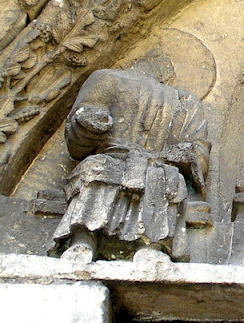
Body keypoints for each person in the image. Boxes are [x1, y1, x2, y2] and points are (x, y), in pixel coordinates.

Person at [51, 54, 210, 262]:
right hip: (111, 156)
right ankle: (83, 240)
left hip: (157, 163)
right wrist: (91, 123)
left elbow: (198, 148)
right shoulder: (106, 79)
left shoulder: (185, 102)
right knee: (97, 168)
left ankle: (150, 247)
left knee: (166, 178)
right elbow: (81, 125)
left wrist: (174, 154)